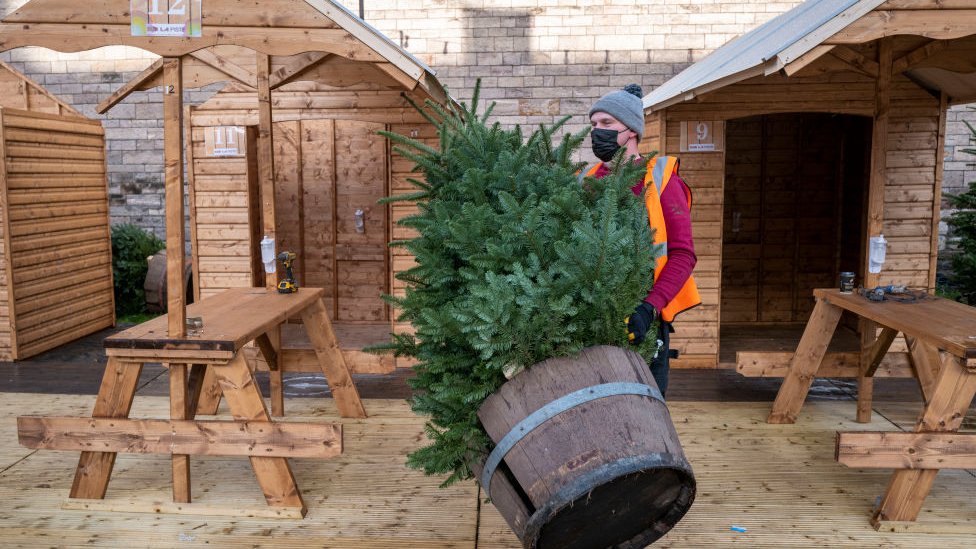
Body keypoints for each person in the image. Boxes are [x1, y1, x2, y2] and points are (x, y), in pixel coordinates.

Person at [582, 84, 701, 397]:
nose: (597, 132)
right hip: (590, 317)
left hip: (643, 316)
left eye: (606, 124)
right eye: (594, 125)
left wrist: (649, 308)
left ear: (631, 130)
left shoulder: (661, 179)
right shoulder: (587, 181)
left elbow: (682, 255)